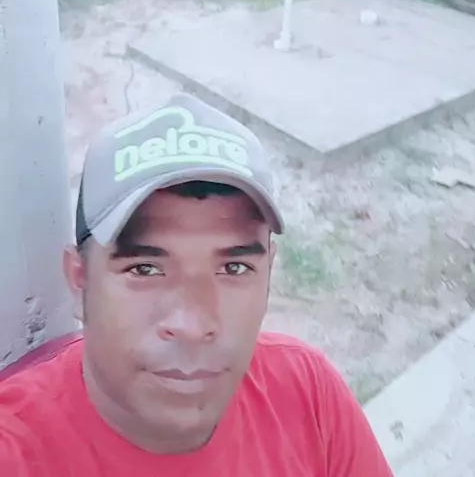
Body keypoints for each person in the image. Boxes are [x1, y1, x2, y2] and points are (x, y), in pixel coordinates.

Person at [0, 93, 393, 476]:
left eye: (234, 268)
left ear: (268, 273)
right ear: (80, 280)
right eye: (145, 269)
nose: (192, 324)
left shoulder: (309, 395)